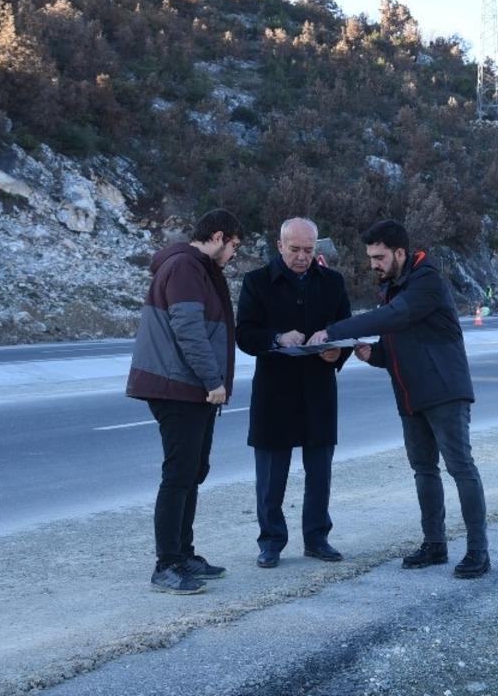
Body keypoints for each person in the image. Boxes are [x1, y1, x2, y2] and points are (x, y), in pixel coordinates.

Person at [307, 219, 490, 579]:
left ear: (400, 253)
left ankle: (478, 552)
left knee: (460, 468)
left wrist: (333, 330)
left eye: (379, 257)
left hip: (444, 392)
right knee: (424, 470)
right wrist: (373, 354)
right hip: (410, 394)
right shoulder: (393, 286)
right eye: (370, 257)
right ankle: (434, 544)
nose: (373, 264)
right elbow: (404, 341)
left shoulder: (427, 281)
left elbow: (395, 317)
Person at [126, 208, 244, 595]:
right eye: (234, 246)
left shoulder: (197, 268)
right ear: (218, 237)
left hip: (190, 388)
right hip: (177, 386)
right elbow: (188, 328)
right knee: (179, 475)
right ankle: (167, 564)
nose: (233, 255)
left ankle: (184, 554)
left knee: (193, 471)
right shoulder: (185, 267)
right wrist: (213, 380)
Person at [235, 217, 352, 569]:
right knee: (271, 476)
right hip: (275, 391)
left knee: (320, 472)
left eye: (308, 250)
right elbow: (244, 334)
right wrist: (277, 338)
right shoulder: (257, 282)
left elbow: (345, 328)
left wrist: (335, 352)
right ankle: (271, 541)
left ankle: (317, 539)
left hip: (318, 388)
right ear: (280, 245)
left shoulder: (332, 282)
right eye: (295, 249)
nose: (302, 257)